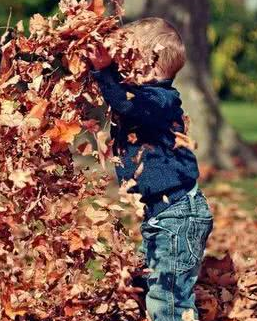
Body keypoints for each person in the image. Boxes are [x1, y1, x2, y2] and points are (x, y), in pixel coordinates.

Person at [89, 17, 213, 321]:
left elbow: (126, 103)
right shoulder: (146, 99)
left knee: (169, 302)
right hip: (162, 217)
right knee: (145, 282)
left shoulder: (160, 100)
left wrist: (103, 72)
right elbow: (122, 96)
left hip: (178, 217)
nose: (120, 67)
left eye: (127, 59)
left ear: (150, 65)